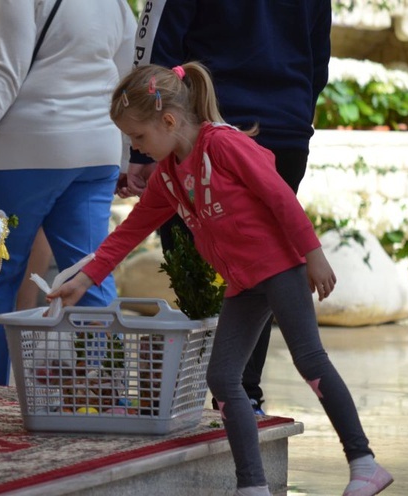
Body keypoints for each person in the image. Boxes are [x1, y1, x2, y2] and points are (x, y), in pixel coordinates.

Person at [49, 63, 393, 496]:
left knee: (311, 360)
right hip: (243, 282)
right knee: (224, 376)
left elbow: (280, 196)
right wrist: (85, 278)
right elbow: (129, 234)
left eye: (139, 137)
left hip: (282, 267)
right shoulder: (170, 176)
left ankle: (364, 462)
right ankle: (252, 485)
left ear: (169, 120)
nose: (136, 148)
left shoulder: (225, 145)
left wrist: (313, 255)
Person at [118, 0, 333, 415]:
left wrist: (142, 151)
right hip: (283, 126)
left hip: (202, 127)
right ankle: (241, 395)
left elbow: (155, 44)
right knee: (261, 265)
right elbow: (318, 53)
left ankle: (200, 393)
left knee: (197, 264)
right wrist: (295, 113)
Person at [0, 0, 137, 385]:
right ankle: (108, 389)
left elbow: (5, 71)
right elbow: (127, 77)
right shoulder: (115, 3)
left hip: (29, 147)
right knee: (91, 271)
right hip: (98, 150)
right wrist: (129, 155)